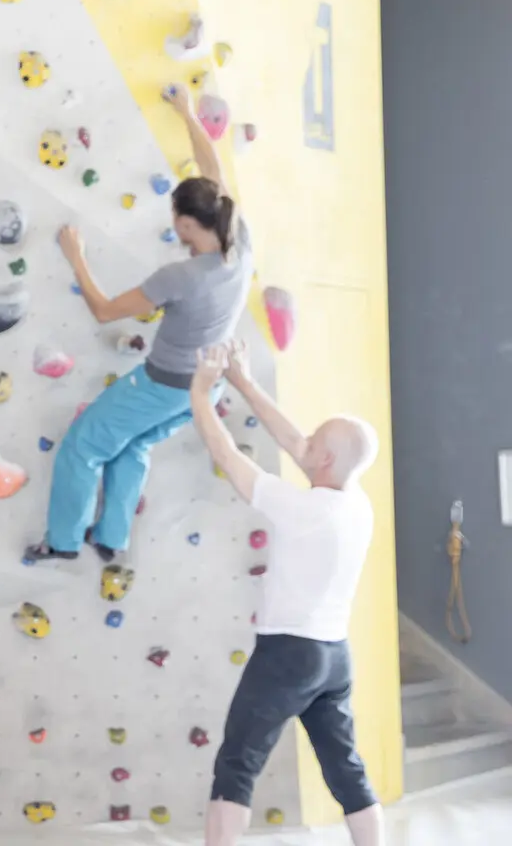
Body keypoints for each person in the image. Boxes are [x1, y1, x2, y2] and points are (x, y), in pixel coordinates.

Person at [25, 84, 254, 565]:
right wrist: (186, 114)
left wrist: (77, 258)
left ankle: (64, 541)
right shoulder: (240, 242)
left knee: (83, 446)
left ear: (190, 225)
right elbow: (212, 169)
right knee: (132, 445)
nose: (174, 227)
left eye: (177, 221)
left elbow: (106, 310)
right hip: (203, 390)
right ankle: (112, 536)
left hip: (162, 385)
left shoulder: (182, 275)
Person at [188, 341, 383, 846]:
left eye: (315, 439)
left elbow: (228, 457)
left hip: (287, 656)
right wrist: (245, 381)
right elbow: (299, 444)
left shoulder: (302, 509)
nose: (305, 440)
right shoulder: (356, 503)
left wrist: (201, 393)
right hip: (334, 658)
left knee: (236, 766)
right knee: (346, 769)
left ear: (326, 456)